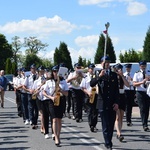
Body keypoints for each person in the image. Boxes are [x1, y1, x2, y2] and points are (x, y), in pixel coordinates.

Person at [90, 56, 119, 150]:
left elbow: (116, 90)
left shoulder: (114, 75)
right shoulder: (98, 73)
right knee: (105, 124)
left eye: (108, 62)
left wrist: (116, 102)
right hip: (102, 102)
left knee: (111, 124)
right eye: (105, 62)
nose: (107, 63)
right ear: (102, 63)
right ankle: (108, 143)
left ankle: (109, 140)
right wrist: (100, 76)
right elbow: (92, 83)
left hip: (112, 102)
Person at [42, 65, 68, 146]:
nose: (56, 73)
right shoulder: (49, 82)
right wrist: (51, 97)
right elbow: (44, 92)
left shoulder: (63, 81)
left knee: (59, 120)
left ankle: (58, 135)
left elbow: (67, 93)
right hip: (52, 101)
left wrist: (61, 90)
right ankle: (56, 137)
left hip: (61, 101)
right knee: (54, 119)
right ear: (52, 73)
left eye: (57, 71)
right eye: (54, 71)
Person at [113, 63, 130, 142]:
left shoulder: (124, 76)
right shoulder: (113, 77)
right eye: (118, 69)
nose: (119, 70)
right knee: (117, 116)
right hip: (115, 97)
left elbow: (128, 85)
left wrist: (122, 76)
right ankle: (119, 133)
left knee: (122, 116)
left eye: (120, 69)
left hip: (122, 96)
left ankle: (119, 132)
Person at [80, 63, 98, 132]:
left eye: (93, 69)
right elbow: (82, 87)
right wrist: (88, 92)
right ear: (88, 69)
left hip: (96, 95)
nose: (92, 70)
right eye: (91, 69)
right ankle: (91, 125)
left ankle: (94, 124)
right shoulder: (85, 77)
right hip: (88, 95)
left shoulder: (96, 76)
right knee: (90, 111)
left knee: (95, 111)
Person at [133, 60, 150, 131]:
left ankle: (145, 122)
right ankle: (144, 124)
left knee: (147, 108)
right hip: (140, 92)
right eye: (142, 66)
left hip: (148, 92)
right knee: (142, 108)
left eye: (144, 66)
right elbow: (134, 84)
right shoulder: (137, 74)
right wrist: (142, 82)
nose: (143, 67)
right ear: (140, 66)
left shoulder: (148, 73)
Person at [22, 64, 38, 129]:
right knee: (31, 107)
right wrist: (29, 90)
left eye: (34, 68)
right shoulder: (28, 76)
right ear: (31, 69)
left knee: (37, 108)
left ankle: (35, 121)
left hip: (37, 94)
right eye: (32, 68)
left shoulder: (38, 76)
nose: (33, 70)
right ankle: (31, 120)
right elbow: (24, 86)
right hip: (30, 93)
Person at [32, 66, 46, 134]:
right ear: (38, 72)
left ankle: (44, 126)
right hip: (39, 98)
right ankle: (42, 127)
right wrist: (36, 92)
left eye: (43, 71)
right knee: (41, 114)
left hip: (46, 98)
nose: (42, 73)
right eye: (40, 72)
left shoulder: (47, 80)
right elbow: (33, 91)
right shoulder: (36, 81)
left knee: (46, 114)